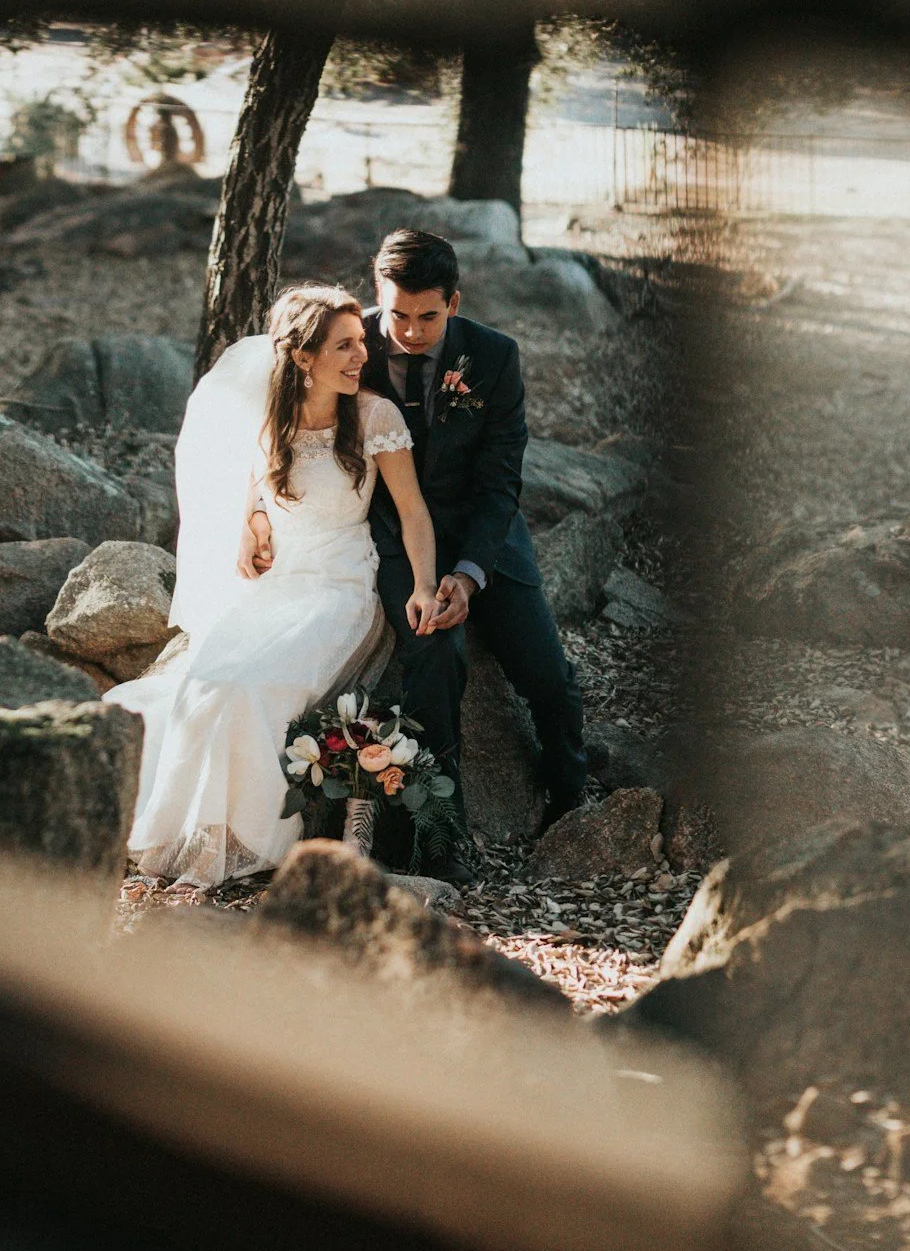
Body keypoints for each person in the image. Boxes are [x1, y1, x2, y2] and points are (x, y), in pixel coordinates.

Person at [107, 285, 441, 890]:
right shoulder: (270, 421)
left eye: (360, 342)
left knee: (249, 691)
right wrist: (252, 518)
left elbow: (413, 511)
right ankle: (184, 835)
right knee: (201, 688)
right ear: (304, 357)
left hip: (341, 588)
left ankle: (249, 843)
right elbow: (249, 485)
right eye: (343, 345)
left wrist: (423, 585)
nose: (361, 355)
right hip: (278, 587)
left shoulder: (373, 416)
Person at [359, 228, 586, 863]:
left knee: (549, 676)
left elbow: (500, 481)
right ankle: (442, 829)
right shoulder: (353, 351)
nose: (408, 330)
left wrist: (467, 573)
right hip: (398, 540)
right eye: (397, 313)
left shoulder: (493, 356)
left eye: (427, 316)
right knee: (434, 659)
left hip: (489, 542)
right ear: (379, 296)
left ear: (454, 304)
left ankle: (572, 796)